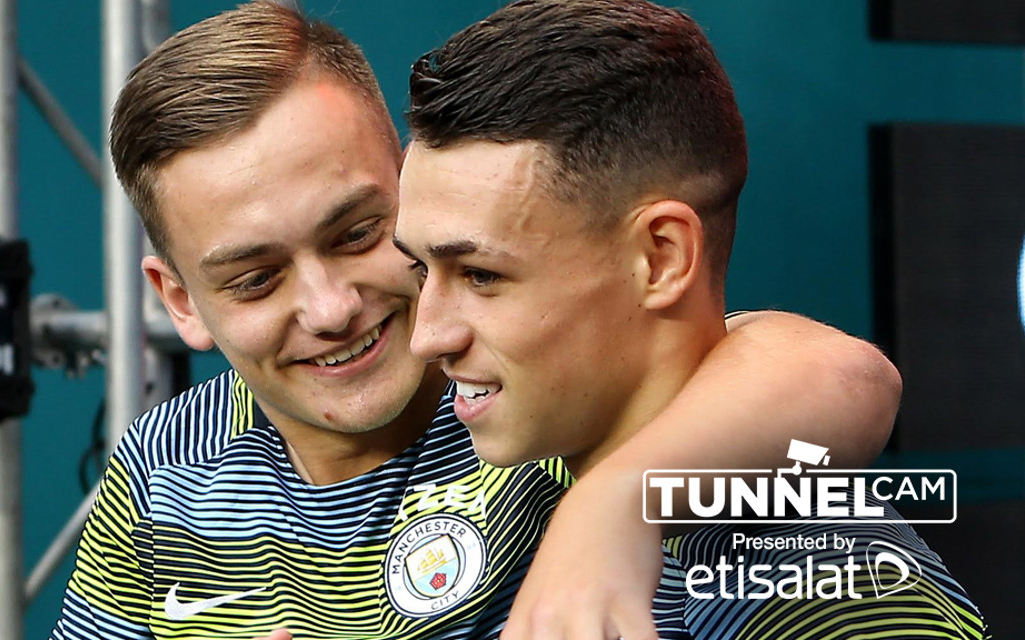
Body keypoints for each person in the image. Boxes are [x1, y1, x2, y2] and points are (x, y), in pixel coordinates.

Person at [50, 2, 902, 639]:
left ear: (418, 188)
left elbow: (837, 374)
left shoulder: (550, 397)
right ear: (179, 301)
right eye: (256, 279)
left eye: (358, 234)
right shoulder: (160, 466)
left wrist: (612, 507)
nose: (331, 307)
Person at [396, 1, 989, 638]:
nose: (427, 337)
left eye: (481, 275)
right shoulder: (532, 442)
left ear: (661, 257)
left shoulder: (835, 594)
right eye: (421, 270)